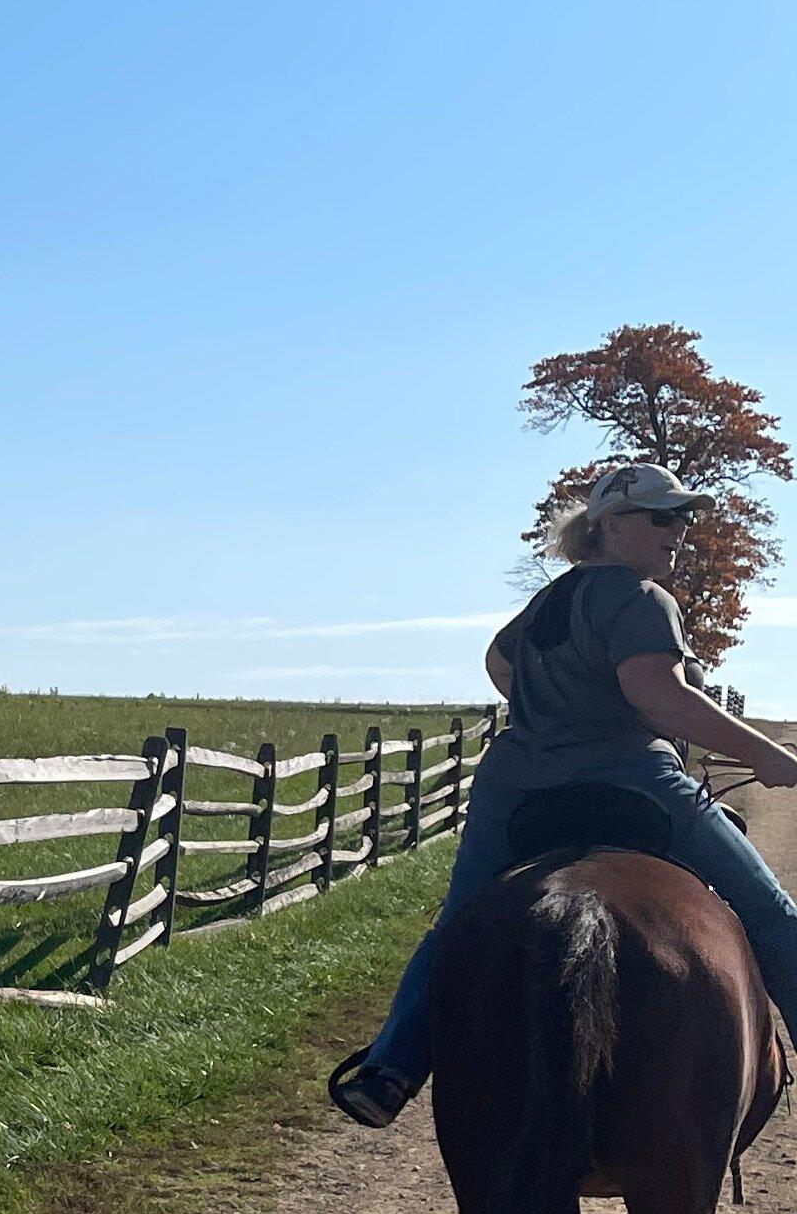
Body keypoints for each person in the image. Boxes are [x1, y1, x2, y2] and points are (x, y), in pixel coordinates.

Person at [327, 462, 797, 1126]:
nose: (680, 532)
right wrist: (766, 755)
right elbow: (658, 695)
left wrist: (553, 719)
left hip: (516, 789)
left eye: (684, 518)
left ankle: (391, 1068)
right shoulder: (640, 598)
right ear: (610, 526)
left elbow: (498, 664)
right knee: (772, 915)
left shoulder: (550, 601)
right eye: (663, 517)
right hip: (631, 780)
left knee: (460, 923)